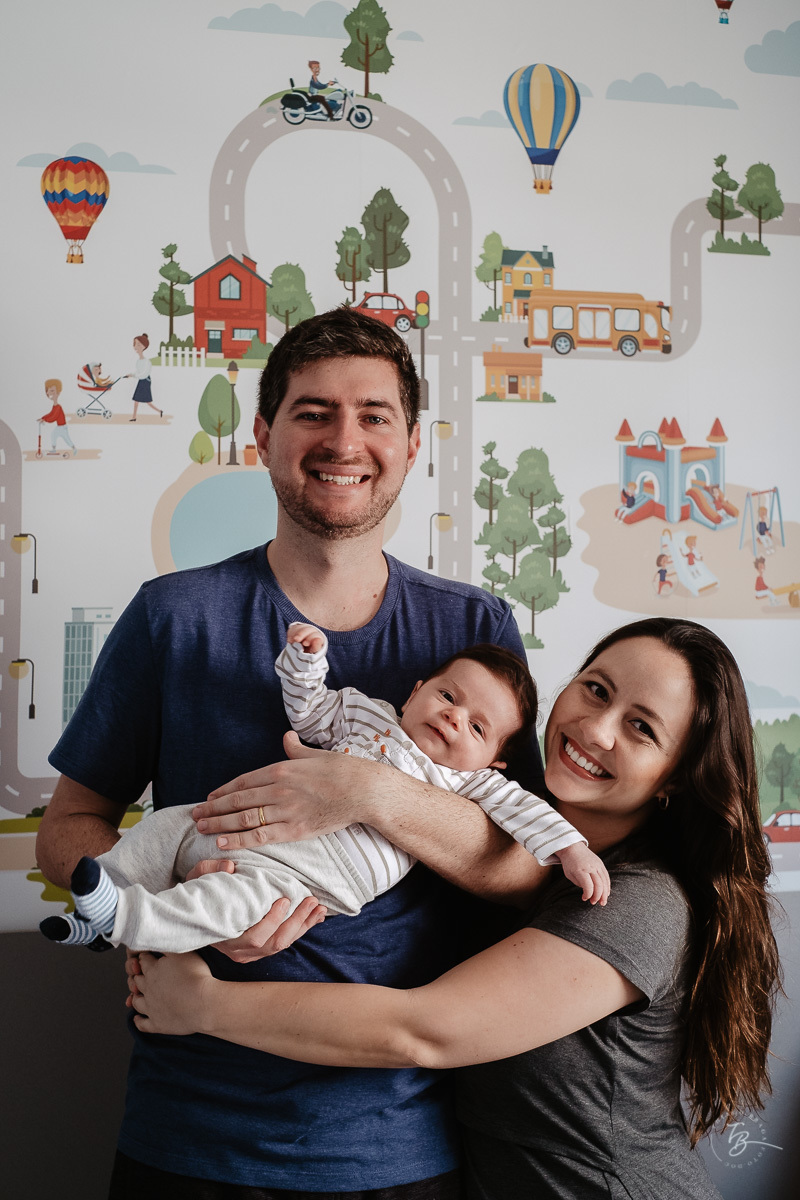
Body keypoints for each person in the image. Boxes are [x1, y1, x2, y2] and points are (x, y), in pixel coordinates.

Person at [36, 306, 549, 1198]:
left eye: (374, 415)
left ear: (413, 442)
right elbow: (66, 829)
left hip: (399, 1139)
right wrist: (184, 915)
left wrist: (365, 792)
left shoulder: (474, 630)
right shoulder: (172, 614)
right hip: (189, 1129)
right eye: (313, 412)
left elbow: (519, 868)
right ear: (264, 436)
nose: (343, 440)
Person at [131, 618, 782, 1200]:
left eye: (641, 728)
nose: (595, 728)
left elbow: (425, 1031)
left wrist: (203, 1006)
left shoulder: (639, 901)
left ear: (674, 777)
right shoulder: (511, 836)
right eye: (596, 689)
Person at [40, 625, 608, 953]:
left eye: (478, 728)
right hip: (235, 823)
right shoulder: (366, 714)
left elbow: (527, 816)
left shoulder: (472, 783)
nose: (456, 719)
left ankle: (127, 921)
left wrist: (573, 849)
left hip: (314, 875)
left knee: (234, 902)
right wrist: (307, 662)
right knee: (167, 824)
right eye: (448, 697)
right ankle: (103, 898)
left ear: (497, 761)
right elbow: (309, 714)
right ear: (414, 693)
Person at [126, 333, 162, 420]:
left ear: (144, 346)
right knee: (136, 400)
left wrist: (133, 375)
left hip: (145, 381)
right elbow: (138, 372)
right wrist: (131, 375)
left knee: (148, 401)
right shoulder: (139, 361)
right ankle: (134, 416)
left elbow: (143, 374)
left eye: (138, 344)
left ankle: (159, 411)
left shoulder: (147, 362)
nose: (136, 347)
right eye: (135, 344)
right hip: (141, 380)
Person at [39, 378, 77, 455]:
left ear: (58, 393)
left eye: (52, 391)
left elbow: (54, 417)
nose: (49, 393)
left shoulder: (58, 407)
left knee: (66, 439)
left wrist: (45, 420)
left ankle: (73, 448)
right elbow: (51, 414)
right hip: (60, 426)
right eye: (48, 391)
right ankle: (55, 449)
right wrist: (43, 418)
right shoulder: (55, 406)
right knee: (55, 435)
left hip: (62, 427)